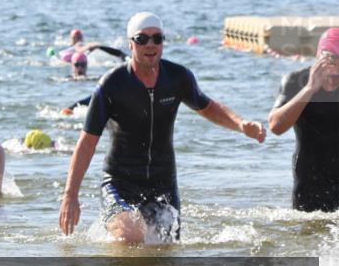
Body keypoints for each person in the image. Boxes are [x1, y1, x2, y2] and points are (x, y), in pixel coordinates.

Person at [58, 12, 266, 244]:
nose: (150, 45)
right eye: (142, 39)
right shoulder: (112, 85)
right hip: (120, 183)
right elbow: (87, 143)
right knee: (130, 235)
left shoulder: (177, 78)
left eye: (157, 38)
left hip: (163, 183)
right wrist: (70, 194)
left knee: (165, 255)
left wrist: (240, 124)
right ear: (130, 44)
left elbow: (208, 107)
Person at [268, 28, 339, 212]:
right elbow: (276, 126)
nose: (334, 73)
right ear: (319, 57)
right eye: (330, 60)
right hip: (308, 190)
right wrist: (309, 89)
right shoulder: (295, 81)